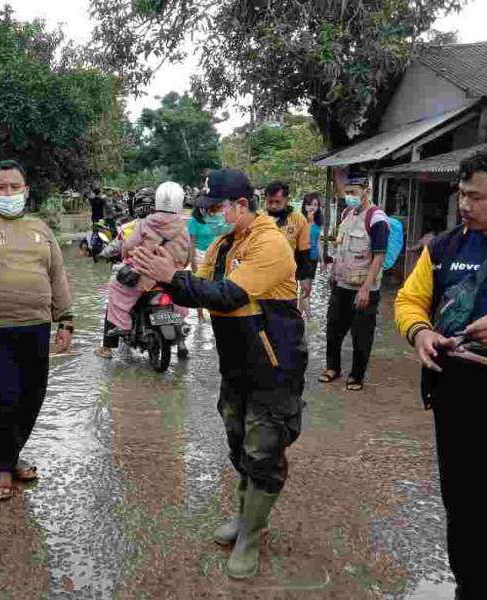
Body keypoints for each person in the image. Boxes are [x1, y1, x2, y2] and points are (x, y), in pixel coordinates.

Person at [131, 168, 306, 580]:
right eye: (206, 209)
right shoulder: (224, 246)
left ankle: (251, 536)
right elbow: (198, 289)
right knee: (238, 444)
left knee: (264, 450)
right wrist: (165, 278)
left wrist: (172, 277)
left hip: (273, 368)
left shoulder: (271, 243)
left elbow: (227, 296)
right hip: (237, 366)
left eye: (216, 208)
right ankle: (245, 515)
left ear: (241, 205)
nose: (210, 216)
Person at [394, 148, 487, 600]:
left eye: (476, 196)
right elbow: (409, 301)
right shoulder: (445, 247)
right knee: (464, 502)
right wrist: (419, 333)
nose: (464, 205)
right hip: (458, 396)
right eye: (462, 194)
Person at [0, 159, 74, 502]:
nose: (8, 193)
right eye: (0, 187)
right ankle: (1, 469)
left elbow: (57, 274)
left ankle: (12, 455)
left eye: (14, 187)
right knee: (0, 398)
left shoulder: (41, 229)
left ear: (26, 190)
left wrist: (66, 318)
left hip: (36, 327)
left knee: (32, 396)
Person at [97, 181, 191, 359]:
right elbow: (187, 253)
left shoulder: (133, 226)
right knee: (181, 293)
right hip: (169, 276)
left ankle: (118, 332)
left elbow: (125, 247)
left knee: (116, 290)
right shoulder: (182, 225)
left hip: (144, 276)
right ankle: (181, 335)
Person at [318, 176, 389, 391]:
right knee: (333, 328)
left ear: (366, 191)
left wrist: (366, 288)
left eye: (353, 193)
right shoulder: (347, 214)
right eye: (347, 193)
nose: (349, 197)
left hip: (364, 288)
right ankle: (333, 368)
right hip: (341, 284)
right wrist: (330, 266)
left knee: (361, 333)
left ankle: (356, 376)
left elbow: (379, 256)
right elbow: (342, 247)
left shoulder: (377, 219)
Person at [264, 181, 316, 306]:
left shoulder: (298, 220)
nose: (274, 206)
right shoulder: (258, 219)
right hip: (261, 281)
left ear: (287, 200)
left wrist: (306, 279)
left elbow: (305, 252)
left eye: (278, 202)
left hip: (286, 283)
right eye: (270, 202)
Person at [189, 195, 227, 320]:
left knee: (215, 285)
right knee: (199, 286)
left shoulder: (215, 218)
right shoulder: (193, 221)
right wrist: (193, 262)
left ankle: (215, 314)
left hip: (215, 254)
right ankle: (200, 316)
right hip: (199, 255)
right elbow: (192, 244)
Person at [299, 192, 324, 318]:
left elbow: (318, 242)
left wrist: (322, 260)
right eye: (309, 204)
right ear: (305, 206)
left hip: (313, 258)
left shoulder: (318, 223)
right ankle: (310, 319)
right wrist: (308, 222)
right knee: (305, 290)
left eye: (315, 205)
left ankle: (298, 317)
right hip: (303, 258)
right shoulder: (301, 221)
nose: (312, 207)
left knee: (306, 291)